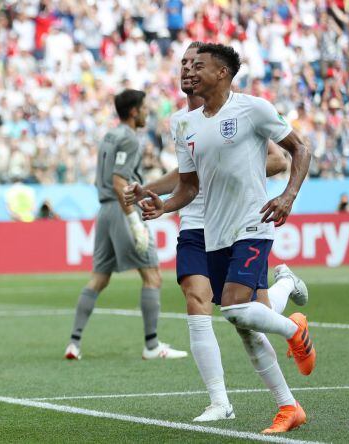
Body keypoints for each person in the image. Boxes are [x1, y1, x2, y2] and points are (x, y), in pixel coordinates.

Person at [124, 42, 310, 422]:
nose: (188, 70)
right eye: (185, 64)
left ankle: (290, 332)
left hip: (250, 222)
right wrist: (161, 203)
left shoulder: (250, 109)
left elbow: (289, 153)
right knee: (237, 315)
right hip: (207, 228)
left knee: (240, 310)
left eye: (197, 64)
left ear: (221, 72)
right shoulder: (183, 123)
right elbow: (188, 184)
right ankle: (265, 404)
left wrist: (284, 194)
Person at [64, 89, 187, 362]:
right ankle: (152, 345)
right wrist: (134, 222)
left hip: (105, 211)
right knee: (152, 276)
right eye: (143, 108)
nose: (146, 112)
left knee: (99, 278)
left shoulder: (110, 135)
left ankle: (73, 343)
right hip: (123, 209)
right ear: (133, 111)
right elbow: (120, 181)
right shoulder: (130, 138)